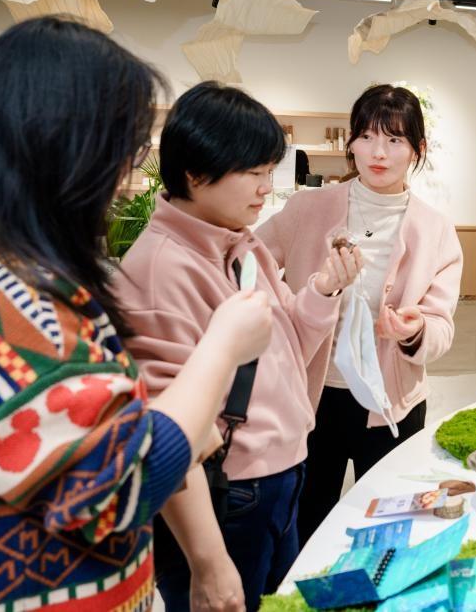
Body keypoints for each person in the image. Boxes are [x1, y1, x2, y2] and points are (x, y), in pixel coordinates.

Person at [0, 18, 274, 611]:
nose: (126, 179)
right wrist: (222, 349)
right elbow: (121, 484)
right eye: (124, 152)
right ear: (62, 149)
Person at [114, 82, 362, 612]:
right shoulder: (159, 269)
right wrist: (208, 561)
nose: (267, 188)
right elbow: (165, 436)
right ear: (195, 173)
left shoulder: (240, 243)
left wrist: (323, 289)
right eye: (254, 172)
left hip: (282, 472)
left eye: (270, 171)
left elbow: (289, 345)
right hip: (230, 492)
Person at [257, 84, 462, 544]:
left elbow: (441, 325)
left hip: (391, 403)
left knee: (388, 525)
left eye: (394, 140)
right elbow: (251, 265)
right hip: (313, 397)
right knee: (305, 525)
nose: (378, 152)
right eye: (367, 136)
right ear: (350, 142)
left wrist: (415, 330)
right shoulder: (308, 207)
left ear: (418, 149)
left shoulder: (435, 229)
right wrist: (290, 312)